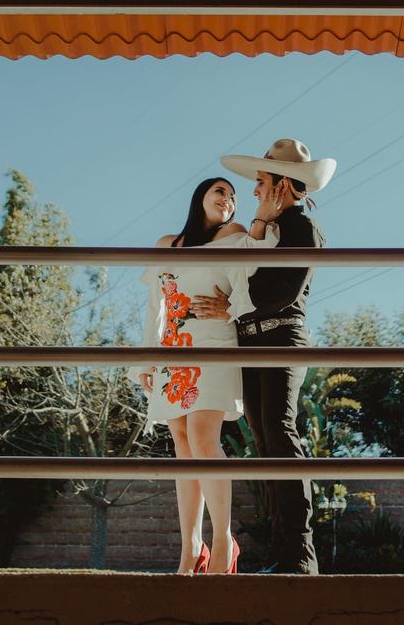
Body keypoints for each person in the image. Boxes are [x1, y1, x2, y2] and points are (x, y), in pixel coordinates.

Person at [193, 138, 336, 575]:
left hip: (281, 340)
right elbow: (236, 285)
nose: (254, 190)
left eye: (261, 181)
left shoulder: (302, 230)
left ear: (283, 185)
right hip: (251, 345)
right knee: (265, 442)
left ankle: (300, 555)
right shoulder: (260, 231)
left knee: (279, 434)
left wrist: (234, 305)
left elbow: (276, 293)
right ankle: (283, 553)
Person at [136, 176, 270, 575]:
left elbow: (253, 280)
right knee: (180, 443)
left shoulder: (235, 234)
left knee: (202, 437)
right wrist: (146, 360)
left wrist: (230, 308)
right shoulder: (166, 246)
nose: (228, 201)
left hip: (214, 343)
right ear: (200, 198)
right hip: (173, 349)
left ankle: (222, 541)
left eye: (232, 196)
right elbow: (155, 308)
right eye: (219, 192)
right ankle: (190, 548)